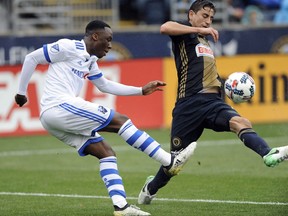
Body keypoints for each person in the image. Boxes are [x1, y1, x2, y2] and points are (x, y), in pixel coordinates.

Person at [14, 20, 197, 216]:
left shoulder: (90, 60)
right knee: (120, 120)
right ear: (95, 36)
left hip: (53, 119)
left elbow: (104, 85)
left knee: (106, 152)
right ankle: (169, 161)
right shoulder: (69, 46)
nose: (110, 45)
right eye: (108, 40)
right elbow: (32, 58)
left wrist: (141, 90)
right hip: (57, 106)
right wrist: (21, 92)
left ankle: (121, 207)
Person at [138, 0, 288, 205]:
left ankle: (268, 153)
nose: (208, 21)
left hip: (213, 102)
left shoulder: (204, 40)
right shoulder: (185, 34)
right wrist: (198, 28)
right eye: (204, 15)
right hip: (188, 105)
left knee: (241, 122)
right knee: (174, 163)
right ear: (191, 15)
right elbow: (164, 27)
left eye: (211, 17)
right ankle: (151, 187)